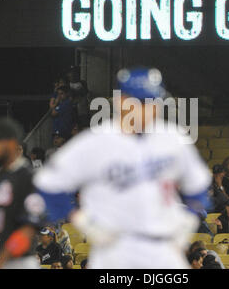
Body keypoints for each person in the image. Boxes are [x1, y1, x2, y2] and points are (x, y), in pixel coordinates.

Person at [33, 67, 211, 269]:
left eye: (152, 102)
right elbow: (47, 184)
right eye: (140, 102)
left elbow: (199, 185)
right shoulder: (96, 141)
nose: (148, 108)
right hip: (115, 250)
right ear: (121, 101)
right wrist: (81, 220)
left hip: (162, 249)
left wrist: (188, 221)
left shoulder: (173, 138)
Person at [0, 117, 46, 269]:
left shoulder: (28, 178)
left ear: (11, 143)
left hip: (16, 263)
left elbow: (28, 230)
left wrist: (1, 259)